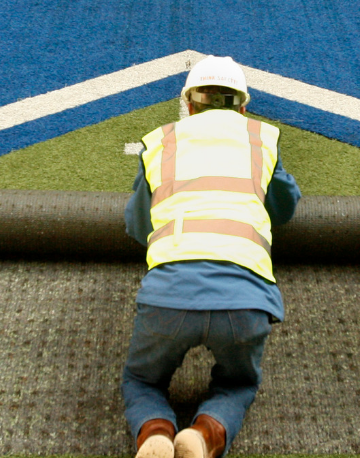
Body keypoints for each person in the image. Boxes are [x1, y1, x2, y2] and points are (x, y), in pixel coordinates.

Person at [122, 56, 300, 458]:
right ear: (243, 106)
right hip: (246, 299)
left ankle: (154, 432)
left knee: (141, 381)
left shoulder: (162, 141)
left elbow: (137, 225)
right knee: (238, 385)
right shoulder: (261, 138)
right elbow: (284, 207)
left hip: (167, 295)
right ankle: (205, 434)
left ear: (188, 104)